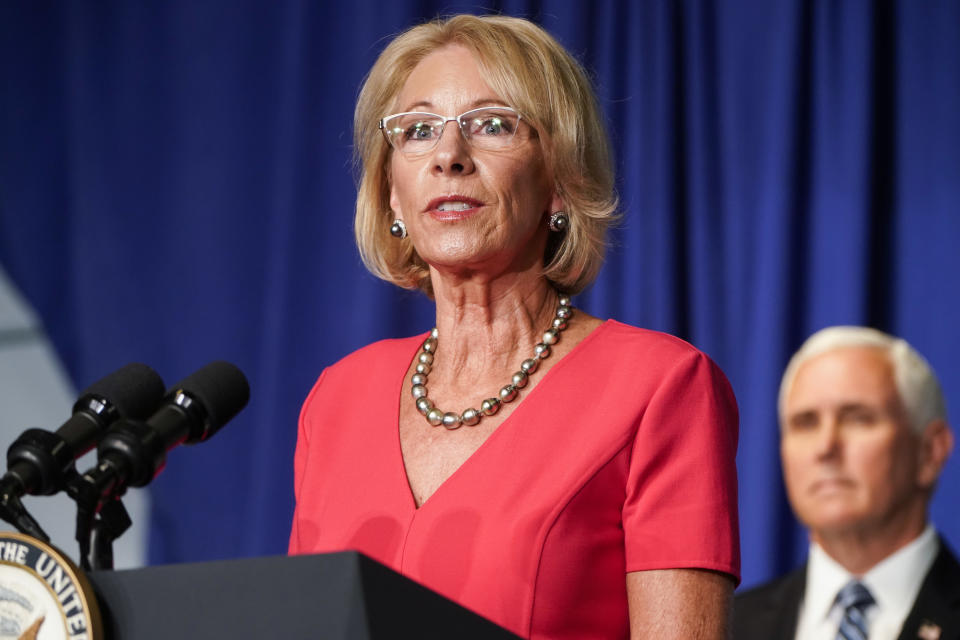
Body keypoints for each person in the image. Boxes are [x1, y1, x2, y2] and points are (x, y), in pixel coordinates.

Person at [288, 14, 740, 639]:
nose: (449, 156)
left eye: (493, 125)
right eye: (417, 131)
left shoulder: (660, 388)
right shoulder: (337, 398)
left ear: (559, 179)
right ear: (391, 194)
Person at [734, 326, 959, 640]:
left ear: (929, 452)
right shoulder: (728, 626)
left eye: (858, 417)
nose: (825, 447)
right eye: (805, 422)